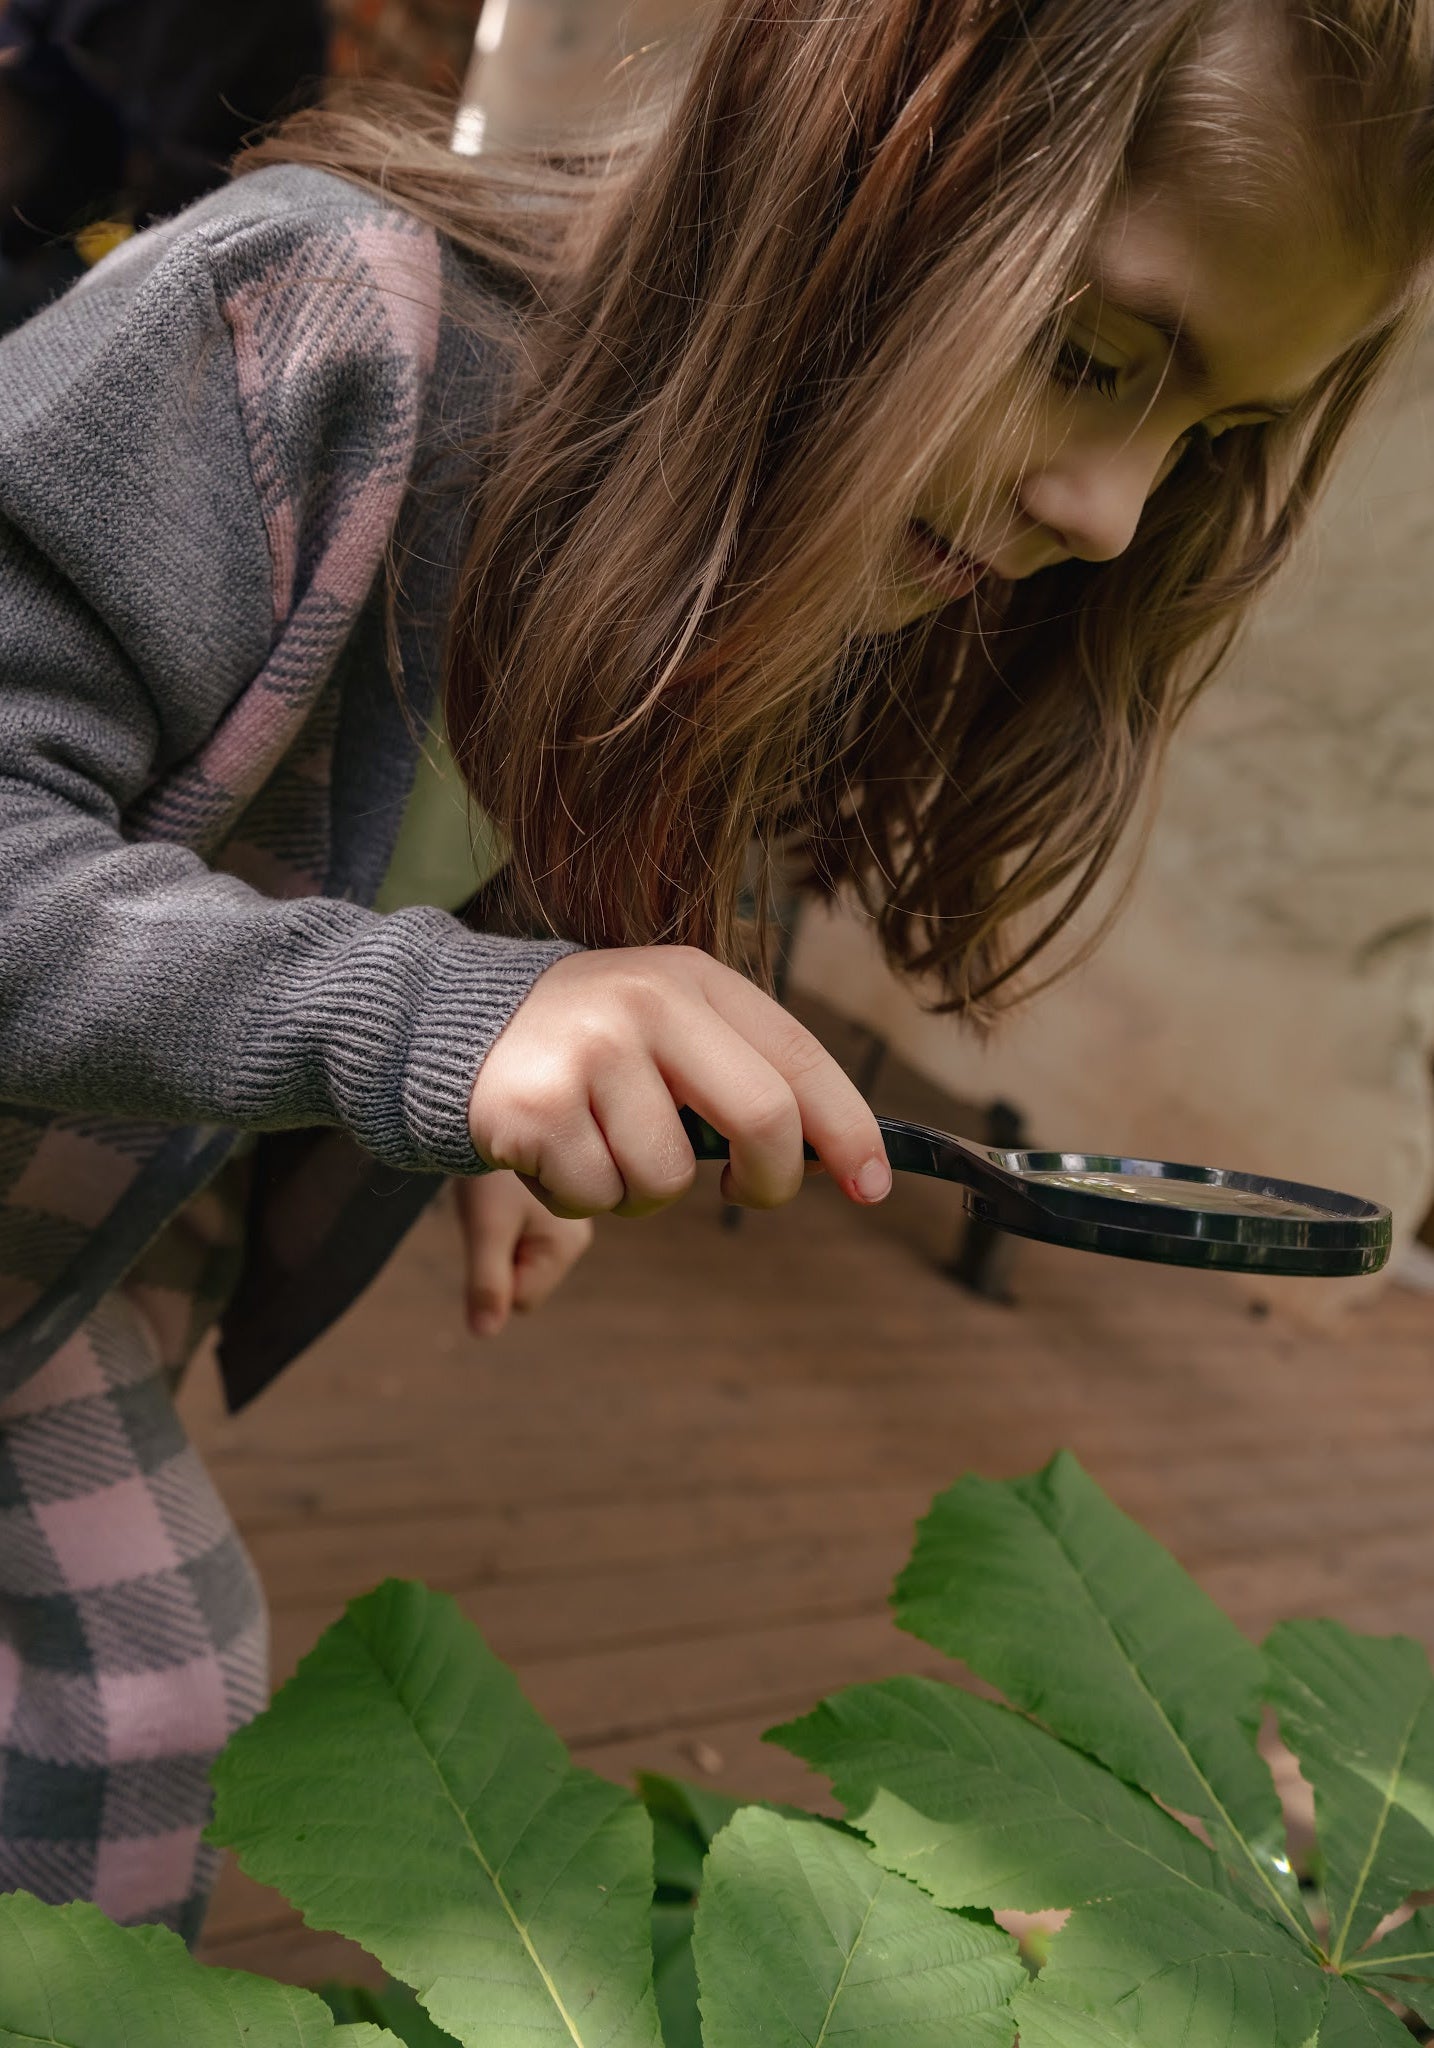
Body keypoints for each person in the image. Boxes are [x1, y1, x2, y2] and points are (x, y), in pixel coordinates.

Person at [0, 0, 1428, 1944]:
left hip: (88, 1236)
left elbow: (398, 859)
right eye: (1093, 356)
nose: (1112, 506)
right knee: (128, 1691)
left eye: (1217, 431)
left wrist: (492, 1083)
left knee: (138, 1673)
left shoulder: (783, 557)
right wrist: (435, 1023)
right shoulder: (314, 321)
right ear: (831, 134)